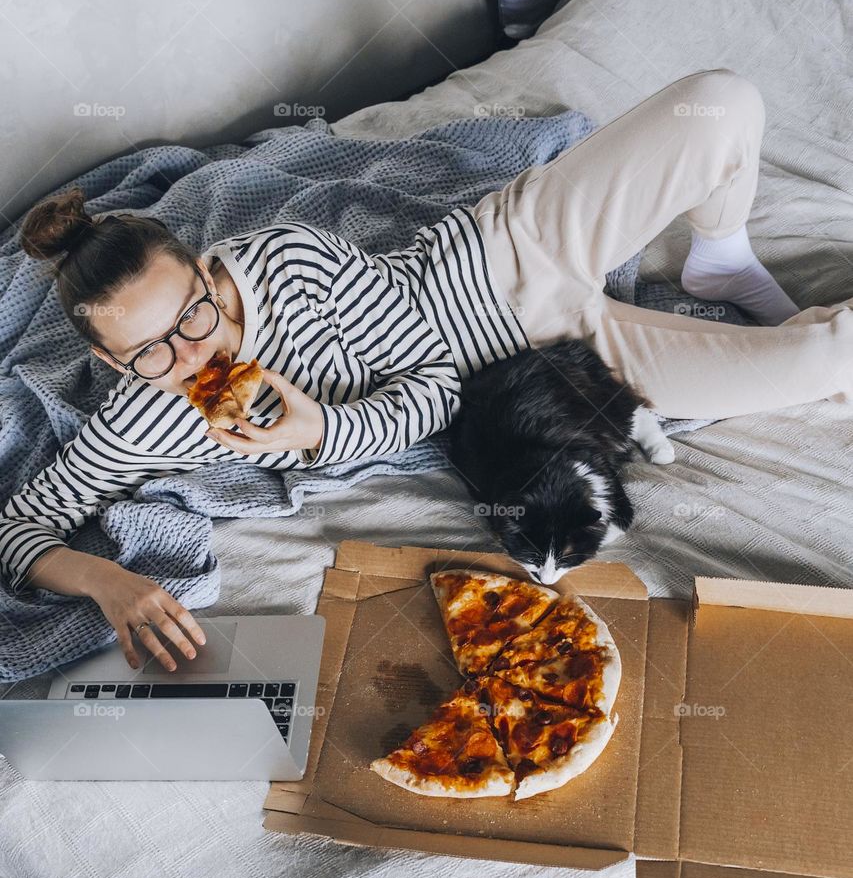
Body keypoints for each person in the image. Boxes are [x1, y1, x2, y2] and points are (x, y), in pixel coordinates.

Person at [2, 68, 851, 672]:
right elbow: (20, 527)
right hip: (557, 371)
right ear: (110, 361)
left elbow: (430, 377)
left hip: (504, 251)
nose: (195, 355)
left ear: (202, 270)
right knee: (827, 359)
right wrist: (108, 582)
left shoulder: (284, 258)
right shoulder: (143, 420)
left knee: (721, 103)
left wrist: (319, 426)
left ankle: (719, 257)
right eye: (152, 352)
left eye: (193, 313)